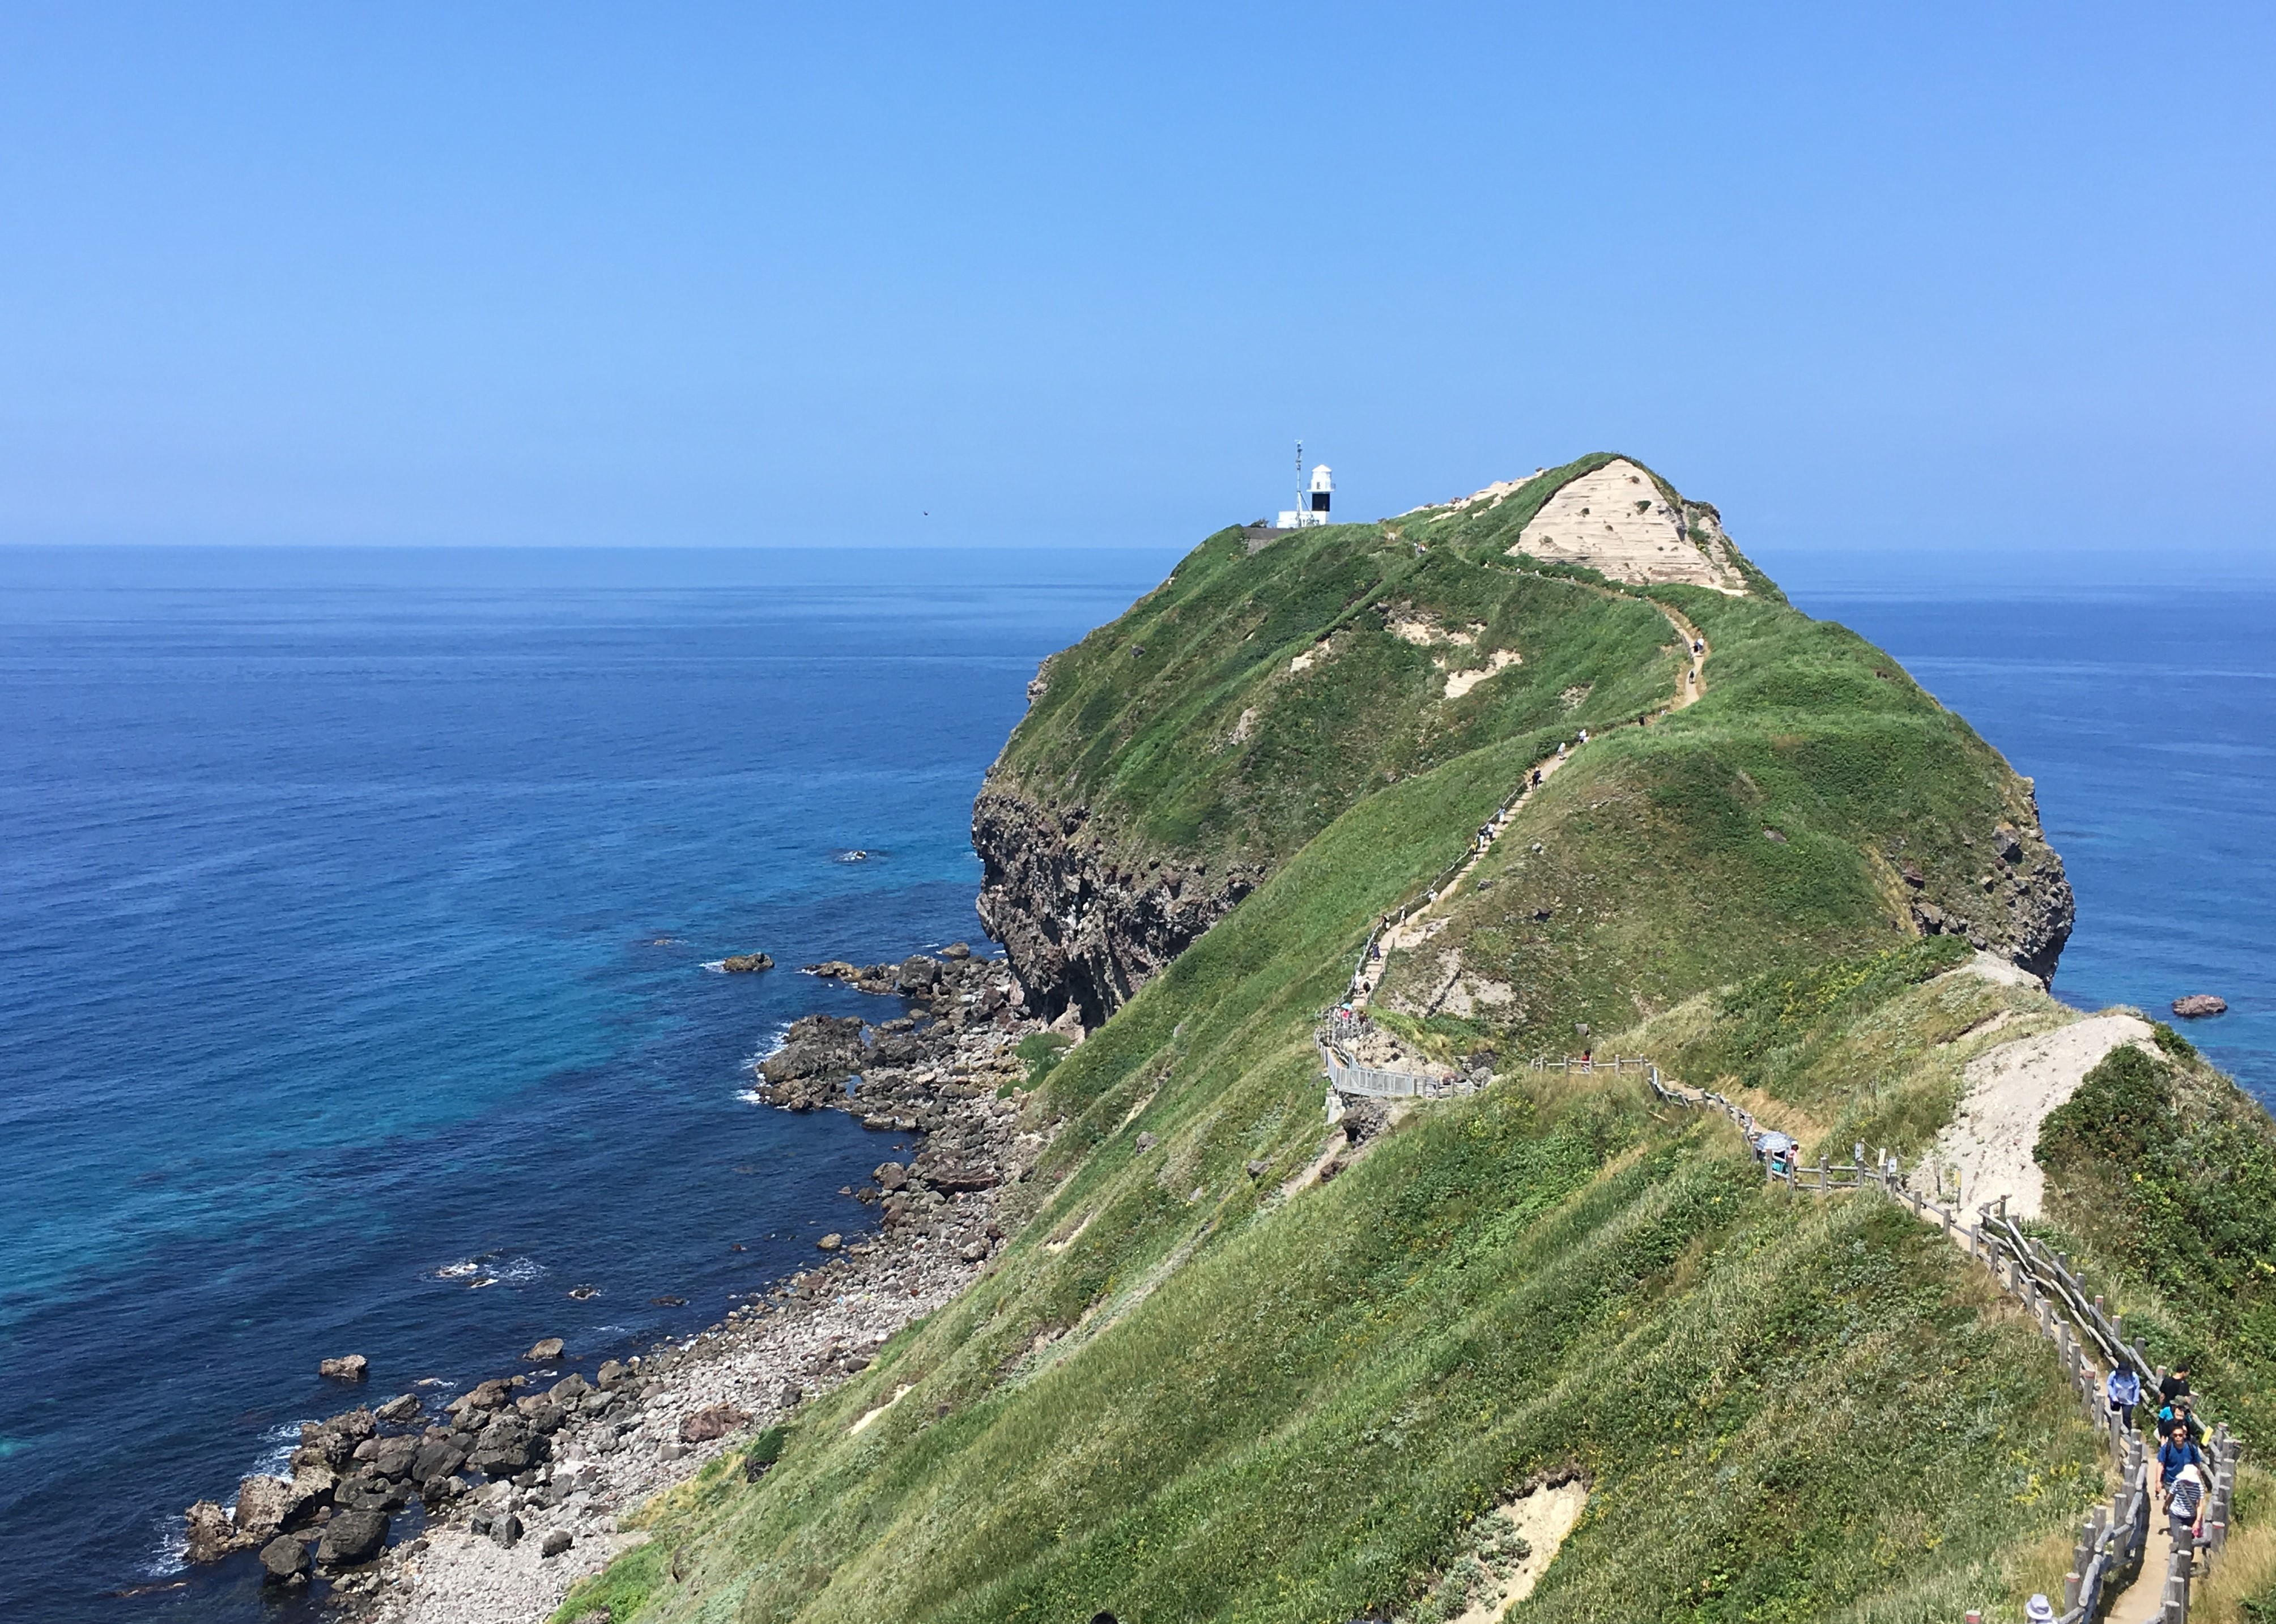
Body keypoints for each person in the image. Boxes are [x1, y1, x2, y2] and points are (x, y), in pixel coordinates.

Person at [2159, 1422, 2207, 1515]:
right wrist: (2158, 1481)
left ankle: (2178, 1521)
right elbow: (2160, 1464)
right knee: (2173, 1501)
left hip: (2188, 1480)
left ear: (2184, 1435)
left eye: (2180, 1435)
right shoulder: (2167, 1448)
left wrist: (2199, 1480)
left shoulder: (2192, 1448)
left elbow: (2197, 1465)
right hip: (2170, 1480)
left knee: (2183, 1503)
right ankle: (2174, 1519)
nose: (2178, 1437)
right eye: (2175, 1435)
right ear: (2173, 1436)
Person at [2168, 1460, 2207, 1550]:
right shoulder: (2177, 1484)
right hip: (2176, 1515)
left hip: (2191, 1517)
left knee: (2189, 1540)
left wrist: (2197, 1521)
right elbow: (2171, 1496)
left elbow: (2200, 1505)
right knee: (2178, 1538)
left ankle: (2187, 1559)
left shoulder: (2199, 1487)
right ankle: (2176, 1560)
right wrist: (2166, 1506)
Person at [2107, 1363, 2142, 1430]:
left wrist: (2135, 1401)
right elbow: (2109, 1384)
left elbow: (2137, 1388)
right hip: (2116, 1399)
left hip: (2129, 1401)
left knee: (2126, 1417)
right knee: (2114, 1414)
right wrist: (2113, 1396)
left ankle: (2129, 1434)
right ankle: (2113, 1430)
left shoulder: (2134, 1377)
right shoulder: (2114, 1375)